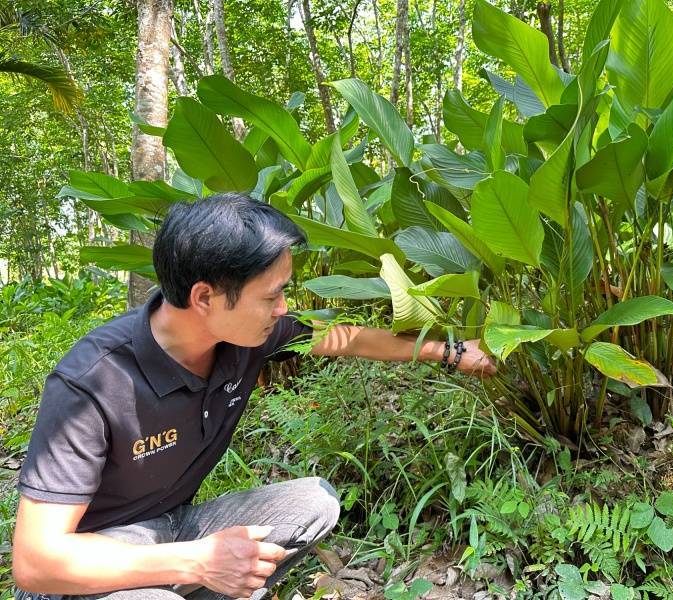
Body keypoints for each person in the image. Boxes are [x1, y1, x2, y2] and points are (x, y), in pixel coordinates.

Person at [11, 193, 497, 600]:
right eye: (271, 296)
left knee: (314, 502)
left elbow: (344, 337)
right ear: (204, 298)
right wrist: (199, 561)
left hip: (173, 524)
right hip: (80, 567)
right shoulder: (93, 382)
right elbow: (35, 564)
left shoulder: (244, 336)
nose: (283, 309)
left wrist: (451, 351)